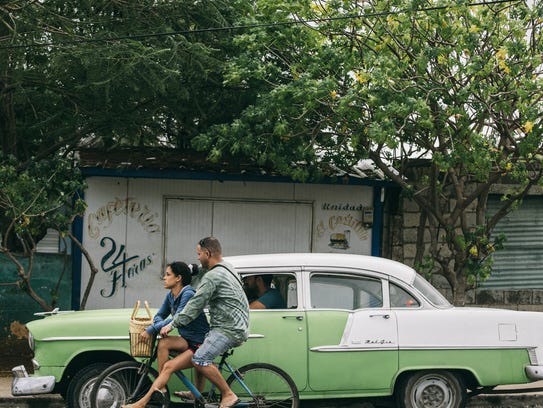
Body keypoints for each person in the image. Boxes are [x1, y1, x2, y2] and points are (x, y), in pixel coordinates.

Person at [161, 236, 249, 408]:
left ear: (207, 253)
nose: (198, 258)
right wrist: (193, 269)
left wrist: (173, 324)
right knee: (201, 352)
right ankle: (198, 394)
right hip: (233, 325)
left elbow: (195, 304)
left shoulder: (213, 277)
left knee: (199, 358)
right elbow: (202, 270)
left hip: (228, 329)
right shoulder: (227, 267)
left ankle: (228, 394)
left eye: (199, 254)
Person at [122, 261, 209, 408]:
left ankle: (142, 403)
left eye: (168, 274)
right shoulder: (171, 295)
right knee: (164, 343)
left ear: (178, 278)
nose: (164, 277)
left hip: (200, 342)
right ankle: (161, 387)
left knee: (168, 366)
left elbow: (177, 318)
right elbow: (160, 315)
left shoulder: (187, 293)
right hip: (188, 339)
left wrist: (150, 329)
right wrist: (156, 324)